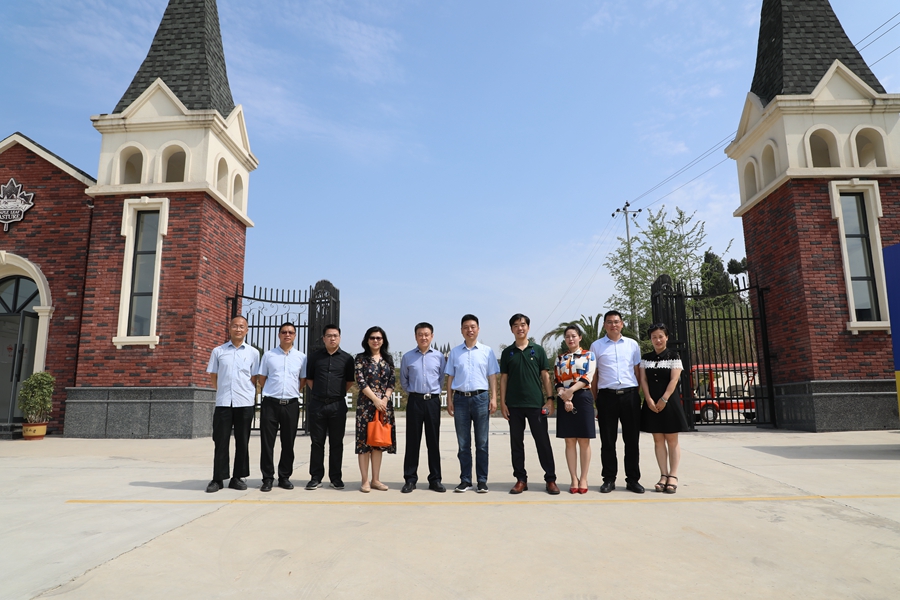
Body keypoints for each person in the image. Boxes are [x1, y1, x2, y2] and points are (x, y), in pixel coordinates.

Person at [499, 314, 559, 495]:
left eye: (523, 324)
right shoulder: (507, 352)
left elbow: (545, 376)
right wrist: (503, 403)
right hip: (514, 405)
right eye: (516, 325)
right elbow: (503, 379)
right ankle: (521, 479)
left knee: (543, 442)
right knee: (516, 443)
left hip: (535, 404)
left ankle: (550, 479)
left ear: (528, 327)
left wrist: (550, 399)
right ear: (511, 329)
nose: (520, 328)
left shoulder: (538, 350)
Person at [589, 310, 644, 493]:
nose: (613, 325)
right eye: (609, 322)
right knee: (607, 441)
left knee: (632, 440)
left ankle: (633, 479)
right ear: (604, 325)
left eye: (616, 321)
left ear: (622, 324)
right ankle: (609, 479)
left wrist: (634, 394)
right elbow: (594, 375)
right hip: (607, 397)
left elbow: (637, 371)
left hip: (630, 396)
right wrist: (596, 399)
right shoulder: (596, 346)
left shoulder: (632, 344)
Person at [445, 314, 500, 493]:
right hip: (460, 399)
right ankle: (465, 480)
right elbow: (450, 377)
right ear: (461, 330)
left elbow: (492, 376)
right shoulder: (455, 352)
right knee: (463, 444)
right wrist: (449, 399)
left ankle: (482, 481)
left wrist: (494, 398)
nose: (470, 330)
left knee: (482, 443)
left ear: (478, 329)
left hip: (481, 398)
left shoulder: (487, 351)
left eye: (473, 326)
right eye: (466, 327)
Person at [206, 316, 260, 493]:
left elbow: (254, 377)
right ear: (229, 329)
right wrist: (221, 390)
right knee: (220, 441)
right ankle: (218, 478)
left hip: (244, 402)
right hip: (224, 402)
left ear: (247, 330)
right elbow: (213, 375)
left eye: (242, 326)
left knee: (242, 441)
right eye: (235, 326)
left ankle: (238, 477)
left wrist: (248, 393)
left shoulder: (253, 353)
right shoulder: (218, 351)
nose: (238, 329)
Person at [255, 322, 307, 492]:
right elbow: (262, 378)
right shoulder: (269, 355)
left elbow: (302, 380)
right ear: (279, 335)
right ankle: (267, 478)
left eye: (291, 332)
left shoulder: (301, 357)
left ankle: (284, 477)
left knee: (288, 442)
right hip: (270, 403)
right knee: (267, 443)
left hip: (291, 404)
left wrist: (291, 392)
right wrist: (273, 391)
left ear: (295, 335)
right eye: (284, 332)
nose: (287, 335)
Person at [639, 323, 688, 494]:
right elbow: (643, 380)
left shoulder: (674, 356)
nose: (657, 340)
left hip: (669, 402)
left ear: (666, 337)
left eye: (661, 336)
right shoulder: (646, 358)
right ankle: (663, 475)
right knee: (658, 440)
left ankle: (673, 476)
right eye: (654, 337)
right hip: (652, 403)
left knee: (672, 440)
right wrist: (648, 399)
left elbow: (674, 380)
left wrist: (664, 399)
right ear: (650, 339)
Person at [305, 324, 355, 490]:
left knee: (336, 443)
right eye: (329, 336)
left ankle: (336, 478)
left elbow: (349, 381)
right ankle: (315, 477)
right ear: (323, 338)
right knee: (317, 442)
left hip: (337, 405)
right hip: (318, 405)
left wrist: (336, 394)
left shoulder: (347, 359)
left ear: (339, 338)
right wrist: (320, 393)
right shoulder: (314, 357)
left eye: (335, 335)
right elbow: (310, 379)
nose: (332, 338)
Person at [399, 322, 447, 493]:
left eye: (427, 334)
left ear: (432, 336)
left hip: (432, 401)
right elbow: (404, 380)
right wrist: (414, 393)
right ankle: (410, 479)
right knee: (413, 441)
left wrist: (432, 393)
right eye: (420, 334)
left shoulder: (439, 357)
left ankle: (435, 479)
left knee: (433, 441)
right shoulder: (408, 357)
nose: (423, 337)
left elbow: (441, 379)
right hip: (415, 401)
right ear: (415, 336)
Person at [554, 324, 597, 494]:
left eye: (573, 336)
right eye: (567, 336)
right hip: (564, 399)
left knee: (584, 440)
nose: (570, 339)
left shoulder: (589, 355)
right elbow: (557, 381)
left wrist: (570, 392)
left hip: (582, 397)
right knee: (569, 440)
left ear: (580, 337)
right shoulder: (560, 358)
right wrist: (564, 396)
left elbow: (587, 377)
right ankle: (573, 478)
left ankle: (584, 478)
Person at [354, 326, 396, 492]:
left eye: (379, 338)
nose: (375, 340)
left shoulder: (388, 359)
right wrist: (375, 399)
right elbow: (360, 381)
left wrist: (384, 399)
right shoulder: (361, 358)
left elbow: (391, 382)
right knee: (364, 443)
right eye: (372, 338)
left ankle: (376, 480)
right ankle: (365, 480)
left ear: (383, 340)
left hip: (384, 406)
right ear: (367, 340)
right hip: (366, 405)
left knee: (378, 442)